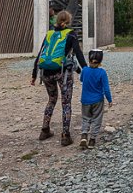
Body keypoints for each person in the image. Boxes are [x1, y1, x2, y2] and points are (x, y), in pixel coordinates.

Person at [32, 9, 87, 146]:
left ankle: (45, 130)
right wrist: (86, 71)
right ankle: (65, 136)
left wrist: (34, 75)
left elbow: (40, 55)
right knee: (66, 103)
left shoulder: (49, 34)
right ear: (68, 22)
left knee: (51, 99)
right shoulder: (71, 34)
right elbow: (78, 54)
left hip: (45, 72)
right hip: (62, 73)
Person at [79, 49, 112, 149]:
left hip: (85, 100)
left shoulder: (84, 70)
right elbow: (106, 88)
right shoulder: (102, 72)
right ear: (100, 60)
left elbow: (81, 79)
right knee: (96, 119)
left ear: (89, 59)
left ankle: (84, 135)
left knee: (86, 118)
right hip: (98, 100)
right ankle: (92, 140)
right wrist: (109, 99)